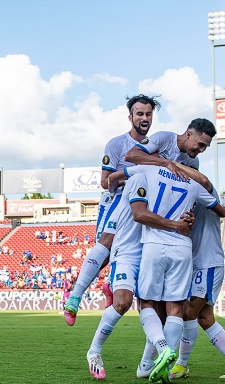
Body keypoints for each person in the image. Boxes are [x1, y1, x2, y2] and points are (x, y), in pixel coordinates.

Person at [109, 162, 225, 383]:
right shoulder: (193, 182)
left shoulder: (151, 169)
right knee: (175, 308)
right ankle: (164, 367)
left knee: (147, 303)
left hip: (154, 243)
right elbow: (221, 210)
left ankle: (162, 350)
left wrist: (112, 183)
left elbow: (117, 175)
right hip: (183, 247)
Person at [63, 94, 162, 326]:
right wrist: (132, 178)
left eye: (148, 114)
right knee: (106, 244)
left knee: (132, 251)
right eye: (140, 114)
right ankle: (74, 296)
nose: (144, 118)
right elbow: (105, 181)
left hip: (141, 203)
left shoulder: (156, 145)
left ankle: (111, 285)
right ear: (130, 117)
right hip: (117, 201)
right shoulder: (117, 144)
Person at [85, 174, 194, 380]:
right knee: (123, 303)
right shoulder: (138, 176)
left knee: (157, 310)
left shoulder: (165, 183)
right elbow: (134, 209)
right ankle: (94, 350)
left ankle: (145, 366)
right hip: (127, 252)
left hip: (151, 250)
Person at [170, 188, 225, 379]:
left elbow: (204, 182)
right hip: (198, 263)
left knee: (189, 311)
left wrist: (174, 166)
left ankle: (181, 364)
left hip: (208, 263)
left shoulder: (204, 191)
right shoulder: (186, 200)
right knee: (205, 318)